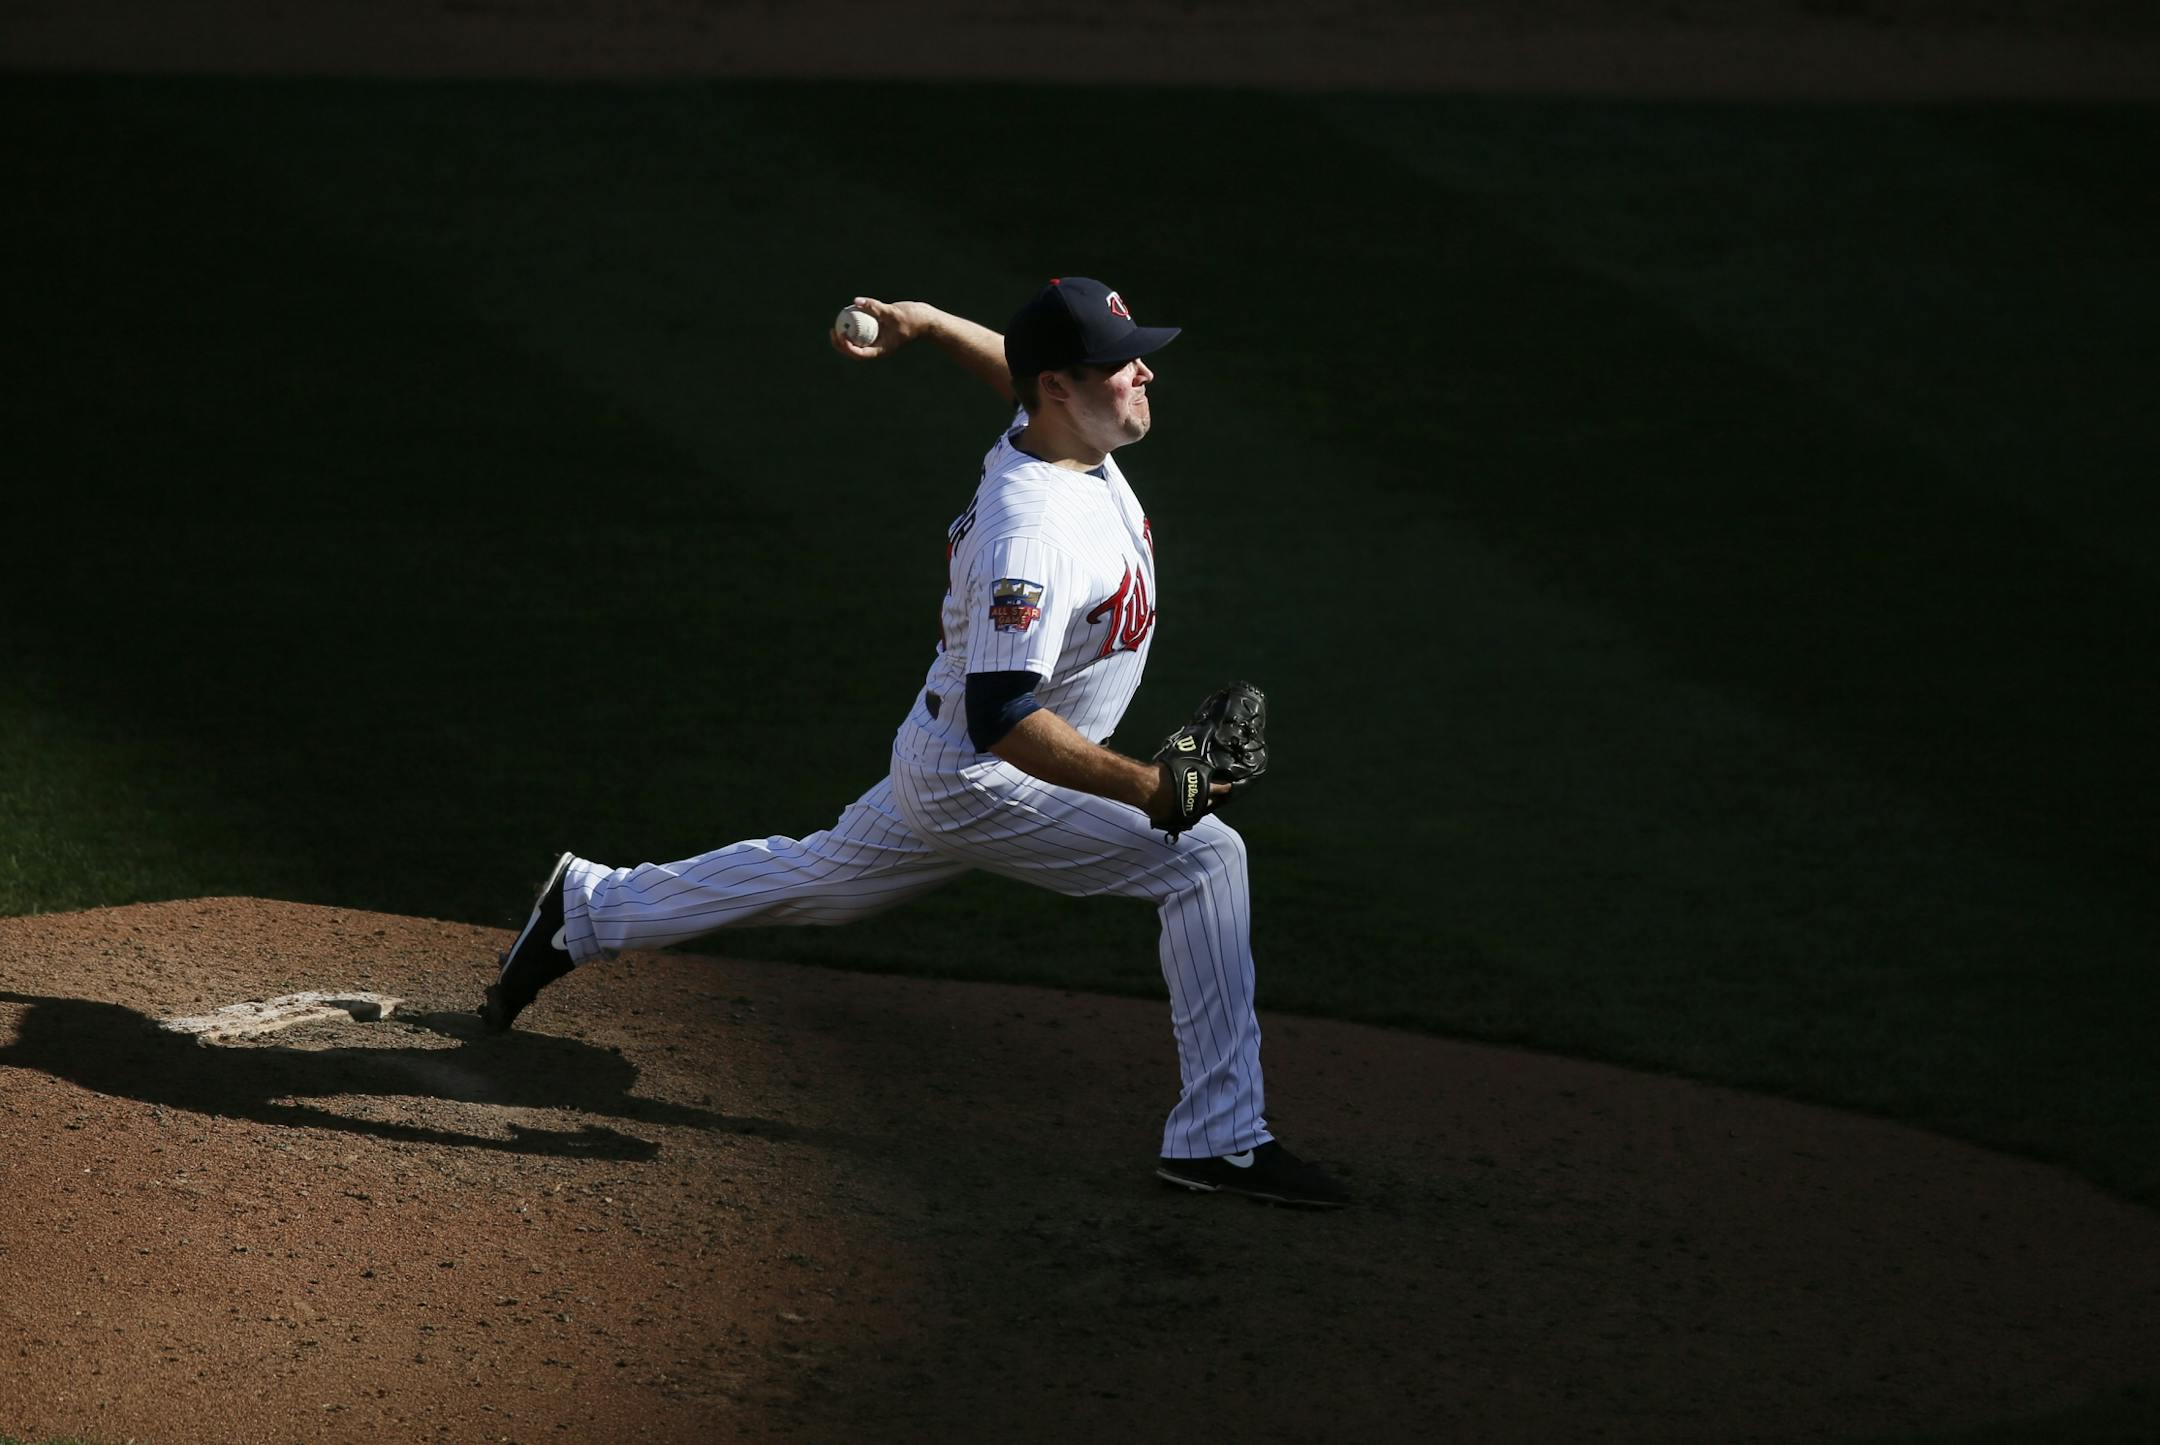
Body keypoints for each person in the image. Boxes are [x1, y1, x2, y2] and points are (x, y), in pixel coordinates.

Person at [482, 277, 1347, 1208]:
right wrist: (1149, 790)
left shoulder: (1065, 438)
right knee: (1205, 860)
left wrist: (929, 323)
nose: (1144, 374)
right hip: (980, 775)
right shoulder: (1034, 530)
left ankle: (588, 905)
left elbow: (1012, 372)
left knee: (828, 881)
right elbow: (1004, 718)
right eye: (1119, 364)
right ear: (1061, 386)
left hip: (938, 754)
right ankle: (1220, 1138)